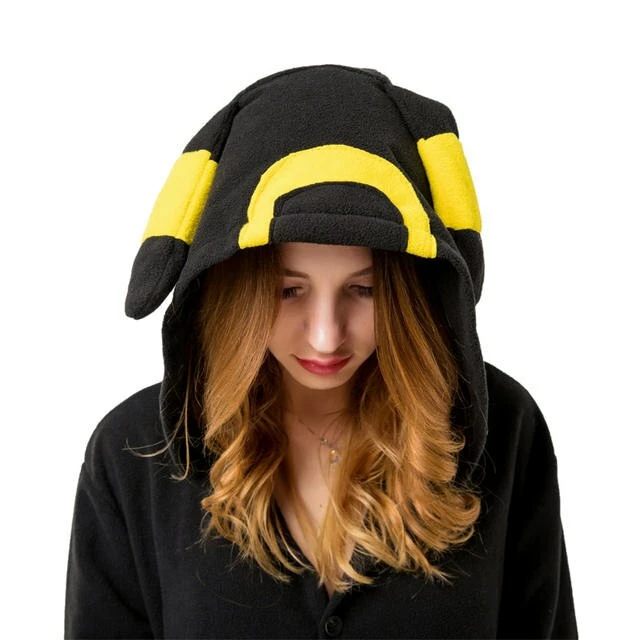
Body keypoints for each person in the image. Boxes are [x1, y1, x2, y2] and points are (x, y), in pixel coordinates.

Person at [64, 64, 577, 638]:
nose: (326, 336)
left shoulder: (504, 428)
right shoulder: (134, 453)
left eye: (364, 290)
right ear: (233, 288)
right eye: (289, 291)